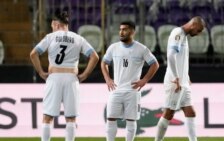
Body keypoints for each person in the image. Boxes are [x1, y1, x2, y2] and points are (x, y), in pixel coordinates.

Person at [30, 10, 99, 141]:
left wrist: (40, 72)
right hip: (71, 79)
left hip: (54, 77)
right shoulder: (78, 38)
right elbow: (94, 56)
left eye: (52, 25)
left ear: (55, 24)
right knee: (71, 118)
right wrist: (85, 74)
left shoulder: (50, 37)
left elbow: (33, 54)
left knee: (47, 117)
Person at [101, 21, 159, 141]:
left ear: (132, 31)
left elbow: (155, 64)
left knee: (131, 120)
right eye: (120, 29)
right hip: (116, 89)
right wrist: (107, 78)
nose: (121, 32)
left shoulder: (141, 49)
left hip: (132, 91)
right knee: (111, 118)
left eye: (125, 29)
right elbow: (104, 63)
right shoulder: (113, 47)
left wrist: (144, 80)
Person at [154, 16, 206, 141]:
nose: (197, 34)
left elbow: (180, 59)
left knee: (190, 112)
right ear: (193, 25)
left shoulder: (184, 36)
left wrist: (186, 77)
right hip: (174, 81)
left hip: (183, 81)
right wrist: (177, 77)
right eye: (198, 31)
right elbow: (171, 56)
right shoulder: (177, 33)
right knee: (168, 114)